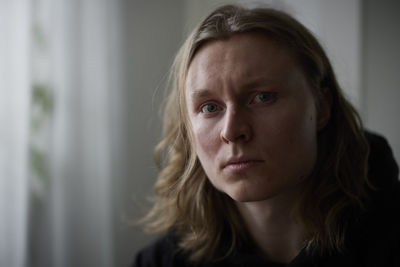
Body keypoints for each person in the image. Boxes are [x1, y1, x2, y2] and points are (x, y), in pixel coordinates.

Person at [133, 4, 400, 267]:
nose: (232, 131)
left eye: (262, 97)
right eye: (210, 107)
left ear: (321, 107)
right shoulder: (163, 261)